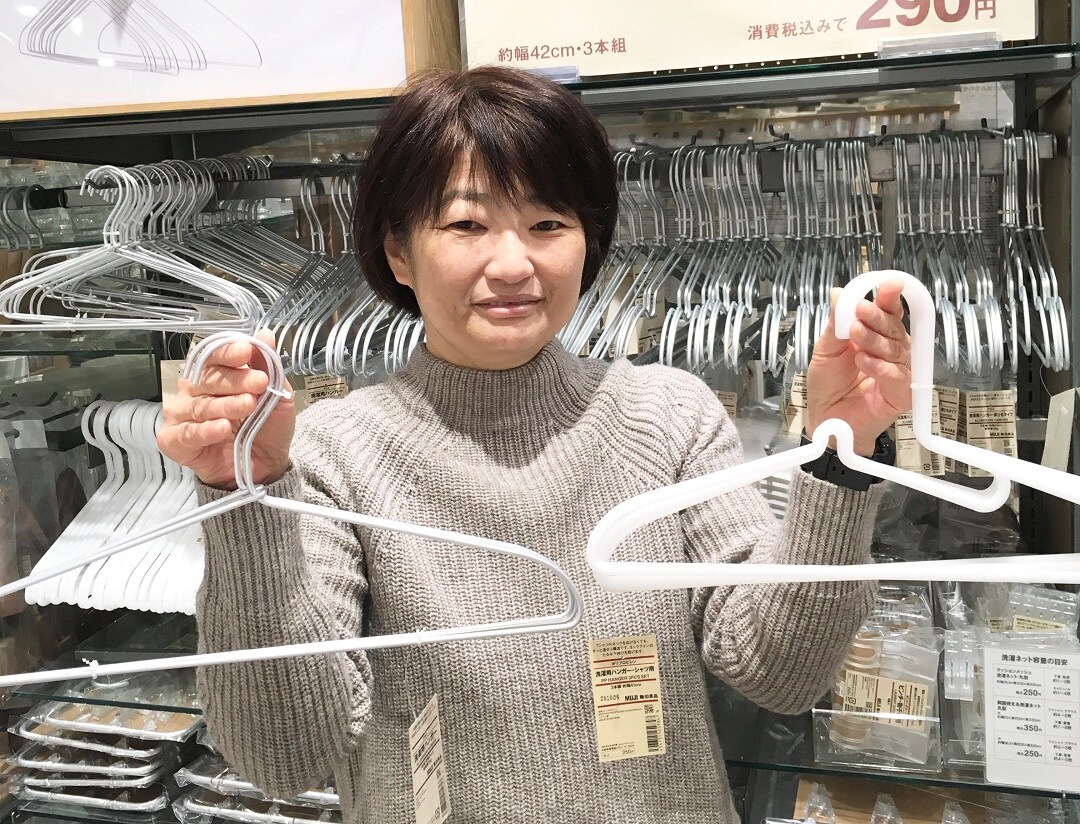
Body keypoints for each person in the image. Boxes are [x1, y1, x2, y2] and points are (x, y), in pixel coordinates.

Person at [158, 66, 912, 824]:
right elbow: (284, 754)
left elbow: (780, 671)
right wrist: (244, 494)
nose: (514, 264)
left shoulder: (667, 416)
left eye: (548, 223)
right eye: (467, 225)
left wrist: (840, 451)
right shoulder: (335, 454)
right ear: (399, 252)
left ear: (588, 241)